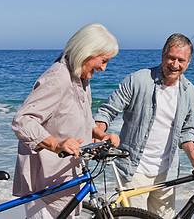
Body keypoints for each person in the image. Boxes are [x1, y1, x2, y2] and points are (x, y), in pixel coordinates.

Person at [11, 23, 120, 219]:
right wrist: (57, 144)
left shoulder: (81, 79)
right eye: (103, 61)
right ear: (87, 52)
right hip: (45, 180)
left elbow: (82, 119)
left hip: (67, 176)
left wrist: (102, 135)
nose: (104, 69)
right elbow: (23, 121)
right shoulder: (58, 77)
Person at [95, 33, 194, 218]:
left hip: (167, 172)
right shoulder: (138, 80)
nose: (175, 64)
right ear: (162, 55)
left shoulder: (189, 91)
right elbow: (107, 111)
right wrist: (98, 134)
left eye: (181, 60)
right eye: (171, 58)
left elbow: (187, 131)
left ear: (188, 62)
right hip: (133, 170)